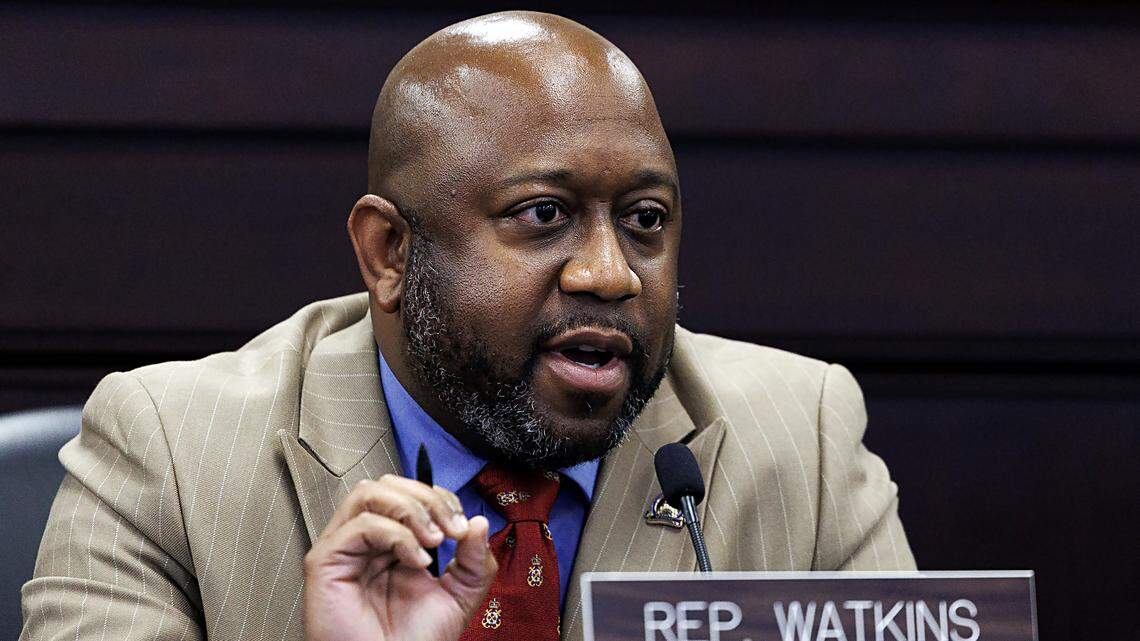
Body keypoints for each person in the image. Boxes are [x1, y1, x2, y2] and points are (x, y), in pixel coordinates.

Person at [19, 11, 915, 641]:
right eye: (542, 215)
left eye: (645, 219)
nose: (608, 272)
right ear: (389, 253)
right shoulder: (169, 452)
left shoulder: (806, 435)